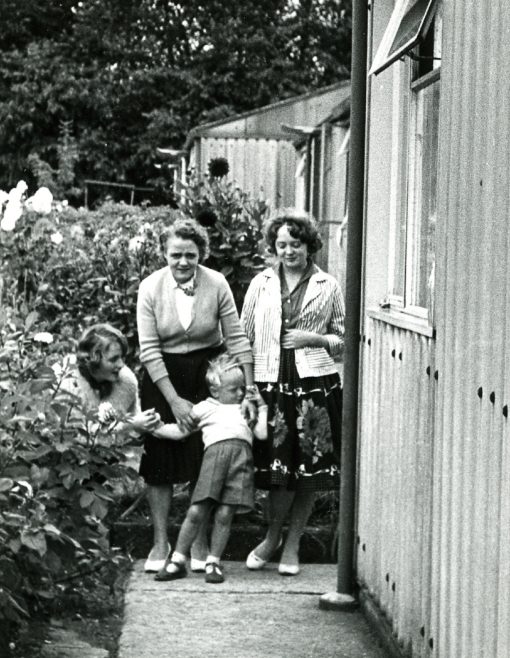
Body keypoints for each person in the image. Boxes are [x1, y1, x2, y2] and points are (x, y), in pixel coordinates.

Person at [137, 217, 255, 573]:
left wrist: (250, 389)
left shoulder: (216, 282)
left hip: (207, 373)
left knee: (204, 457)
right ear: (164, 253)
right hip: (163, 377)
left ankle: (199, 540)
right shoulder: (150, 287)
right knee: (160, 458)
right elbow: (149, 349)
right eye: (175, 255)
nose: (183, 262)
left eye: (190, 254)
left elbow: (235, 338)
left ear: (201, 253)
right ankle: (161, 541)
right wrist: (173, 400)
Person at [241, 209, 344, 576]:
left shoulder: (328, 286)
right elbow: (243, 338)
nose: (288, 251)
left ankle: (293, 544)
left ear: (309, 245)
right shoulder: (261, 284)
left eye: (295, 244)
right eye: (281, 244)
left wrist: (313, 339)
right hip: (272, 385)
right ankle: (272, 537)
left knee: (310, 470)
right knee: (278, 471)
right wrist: (249, 388)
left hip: (314, 386)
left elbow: (343, 343)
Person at [152, 354, 267, 584]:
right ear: (216, 391)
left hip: (240, 465)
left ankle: (213, 562)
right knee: (197, 511)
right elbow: (180, 431)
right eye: (234, 389)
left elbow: (262, 434)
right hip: (214, 462)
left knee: (225, 515)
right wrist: (157, 428)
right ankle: (177, 560)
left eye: (242, 388)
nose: (240, 393)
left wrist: (261, 406)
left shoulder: (246, 409)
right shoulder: (206, 408)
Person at [60, 323, 160, 437]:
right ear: (93, 360)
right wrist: (129, 425)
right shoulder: (66, 382)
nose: (121, 364)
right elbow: (77, 437)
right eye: (113, 359)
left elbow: (132, 424)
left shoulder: (126, 381)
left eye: (121, 357)